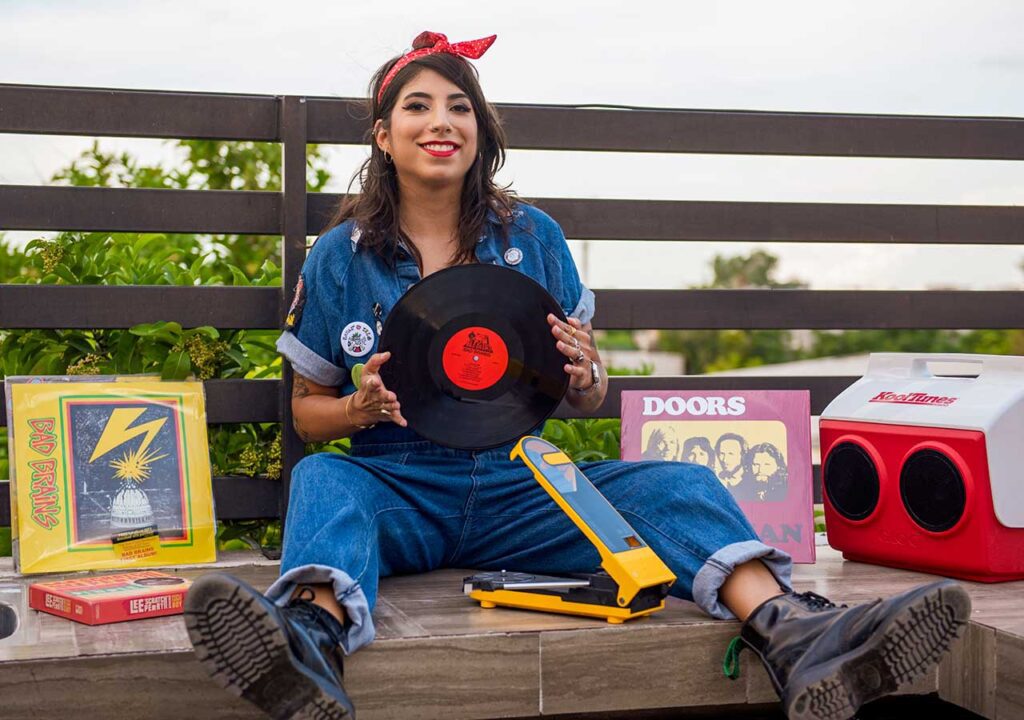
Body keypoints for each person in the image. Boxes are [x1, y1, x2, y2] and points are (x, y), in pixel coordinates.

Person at [184, 31, 971, 720]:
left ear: (480, 132)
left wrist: (587, 373)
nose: (441, 122)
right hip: (401, 491)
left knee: (675, 486)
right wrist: (357, 409)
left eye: (459, 106)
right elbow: (306, 411)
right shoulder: (338, 258)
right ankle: (308, 650)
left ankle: (795, 635)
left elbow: (583, 393)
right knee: (324, 479)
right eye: (419, 107)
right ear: (385, 135)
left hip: (523, 486)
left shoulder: (535, 238)